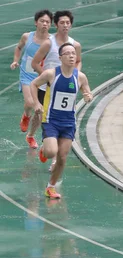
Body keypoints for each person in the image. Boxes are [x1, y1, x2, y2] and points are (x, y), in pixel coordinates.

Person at [30, 43, 93, 200]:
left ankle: (50, 187)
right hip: (51, 120)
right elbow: (34, 84)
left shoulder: (80, 76)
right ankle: (45, 150)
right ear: (60, 57)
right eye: (68, 53)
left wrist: (88, 96)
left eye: (73, 53)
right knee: (52, 152)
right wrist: (37, 104)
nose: (72, 56)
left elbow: (87, 90)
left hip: (68, 123)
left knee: (62, 158)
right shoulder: (51, 74)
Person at [32, 10, 82, 171]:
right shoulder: (49, 43)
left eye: (68, 23)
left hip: (65, 89)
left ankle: (54, 159)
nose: (65, 25)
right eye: (62, 23)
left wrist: (76, 76)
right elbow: (35, 63)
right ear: (56, 25)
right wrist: (48, 79)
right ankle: (42, 144)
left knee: (60, 119)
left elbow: (79, 63)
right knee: (41, 117)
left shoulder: (75, 45)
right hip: (46, 87)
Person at [10, 10, 52, 149]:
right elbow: (18, 48)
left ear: (51, 25)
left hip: (42, 77)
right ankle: (26, 116)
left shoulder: (51, 41)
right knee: (30, 102)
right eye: (42, 21)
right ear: (36, 22)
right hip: (26, 74)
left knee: (39, 111)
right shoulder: (27, 37)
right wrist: (16, 60)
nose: (45, 24)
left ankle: (30, 136)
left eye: (47, 22)